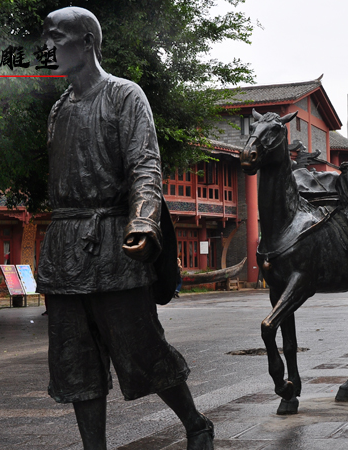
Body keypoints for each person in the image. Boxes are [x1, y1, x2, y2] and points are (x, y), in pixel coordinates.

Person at [35, 7, 213, 450]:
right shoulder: (58, 109)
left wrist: (142, 222)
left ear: (87, 42)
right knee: (75, 363)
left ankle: (196, 424)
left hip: (115, 244)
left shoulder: (125, 96)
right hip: (65, 251)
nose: (49, 48)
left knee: (143, 351)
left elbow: (145, 166)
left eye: (58, 39)